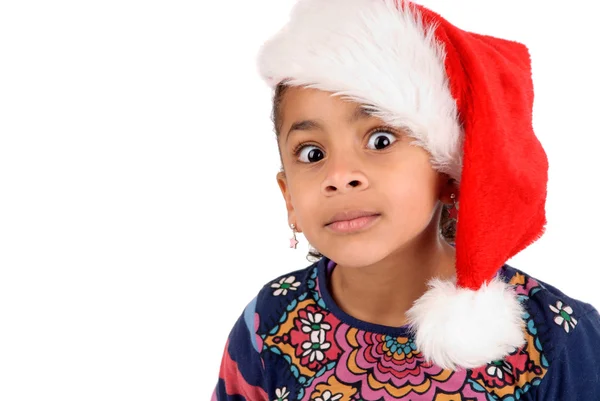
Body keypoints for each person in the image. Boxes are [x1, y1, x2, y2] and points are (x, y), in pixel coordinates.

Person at [212, 0, 600, 399]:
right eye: (312, 153)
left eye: (380, 140)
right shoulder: (269, 324)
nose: (340, 176)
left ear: (450, 172)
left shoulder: (553, 337)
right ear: (288, 197)